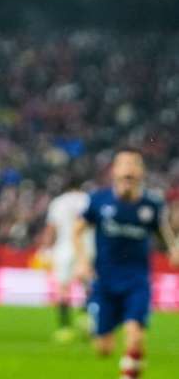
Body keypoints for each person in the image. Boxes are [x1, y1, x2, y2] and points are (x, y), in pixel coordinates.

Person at [74, 148, 179, 379]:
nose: (129, 168)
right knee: (104, 349)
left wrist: (173, 250)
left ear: (141, 172)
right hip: (104, 282)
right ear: (115, 171)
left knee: (135, 335)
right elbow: (77, 230)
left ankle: (129, 374)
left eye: (134, 164)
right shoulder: (98, 200)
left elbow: (165, 235)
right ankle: (98, 319)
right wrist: (82, 261)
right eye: (124, 164)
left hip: (137, 280)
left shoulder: (152, 205)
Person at [40, 175, 90, 342]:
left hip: (64, 247)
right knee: (88, 284)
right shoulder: (87, 200)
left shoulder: (58, 202)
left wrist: (45, 248)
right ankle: (86, 316)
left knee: (63, 288)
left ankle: (65, 328)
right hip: (85, 247)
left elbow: (51, 228)